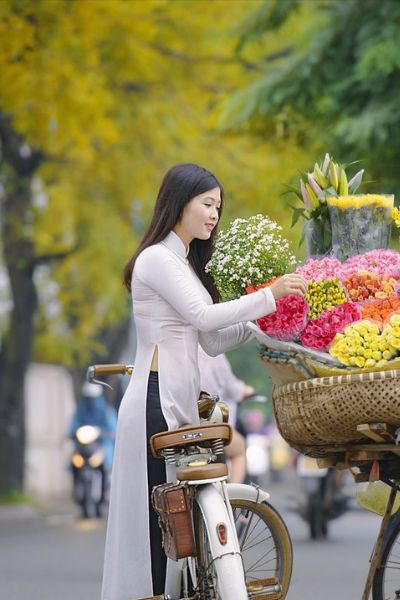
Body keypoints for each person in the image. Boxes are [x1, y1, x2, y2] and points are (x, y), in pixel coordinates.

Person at [101, 163, 307, 600]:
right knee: (157, 527)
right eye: (207, 204)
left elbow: (211, 340)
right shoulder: (156, 258)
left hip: (177, 403)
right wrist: (269, 296)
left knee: (179, 524)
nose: (214, 214)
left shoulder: (185, 264)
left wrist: (266, 325)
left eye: (218, 206)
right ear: (179, 203)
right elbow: (204, 316)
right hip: (153, 402)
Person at [196, 347, 255, 484]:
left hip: (177, 423)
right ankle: (233, 493)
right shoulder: (210, 351)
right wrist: (247, 390)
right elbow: (233, 388)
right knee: (239, 448)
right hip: (207, 424)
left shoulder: (170, 348)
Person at [70, 381, 118, 503]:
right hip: (85, 445)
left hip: (101, 443)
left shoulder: (106, 411)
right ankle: (76, 487)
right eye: (88, 398)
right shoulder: (81, 410)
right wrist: (72, 433)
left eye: (93, 398)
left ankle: (105, 489)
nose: (91, 401)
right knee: (74, 459)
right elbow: (74, 425)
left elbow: (112, 428)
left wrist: (106, 433)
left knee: (106, 458)